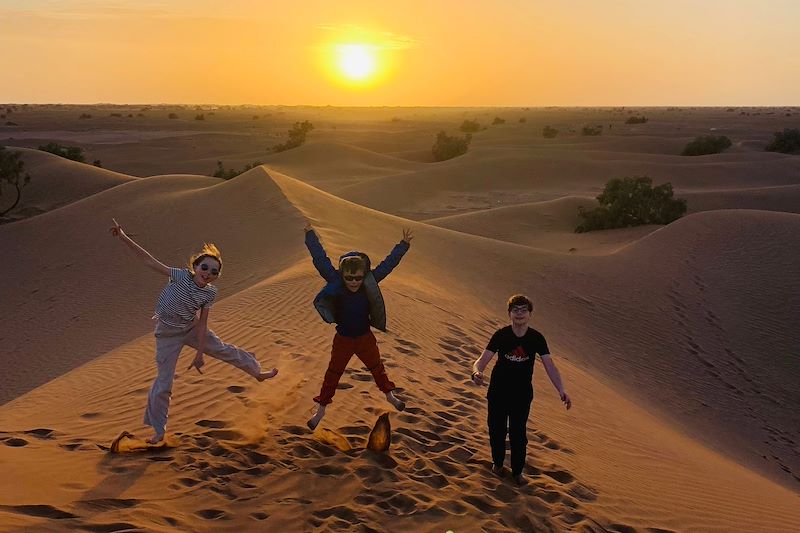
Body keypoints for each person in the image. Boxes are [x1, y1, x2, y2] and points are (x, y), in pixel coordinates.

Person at [110, 219, 278, 444]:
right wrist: (123, 237)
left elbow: (203, 324)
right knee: (163, 383)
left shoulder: (210, 293)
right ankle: (159, 430)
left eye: (214, 271)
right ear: (195, 267)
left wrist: (200, 353)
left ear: (217, 276)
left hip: (190, 328)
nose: (208, 273)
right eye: (204, 267)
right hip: (167, 335)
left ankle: (257, 372)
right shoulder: (180, 276)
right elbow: (149, 261)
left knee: (223, 350)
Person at [303, 222, 412, 430]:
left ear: (364, 275)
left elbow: (387, 265)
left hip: (364, 338)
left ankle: (390, 396)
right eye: (349, 278)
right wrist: (310, 235)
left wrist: (403, 246)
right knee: (332, 374)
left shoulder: (369, 282)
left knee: (377, 369)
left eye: (358, 278)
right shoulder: (336, 281)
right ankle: (321, 410)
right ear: (343, 275)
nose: (354, 282)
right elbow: (320, 260)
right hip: (343, 339)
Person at [471, 294, 572, 486]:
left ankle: (517, 472)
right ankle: (498, 464)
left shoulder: (536, 338)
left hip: (522, 395)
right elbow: (481, 361)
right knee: (496, 431)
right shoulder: (501, 335)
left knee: (518, 434)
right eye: (515, 310)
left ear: (530, 314)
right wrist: (476, 373)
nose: (519, 314)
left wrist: (561, 390)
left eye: (523, 310)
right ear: (509, 314)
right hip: (498, 392)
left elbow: (550, 366)